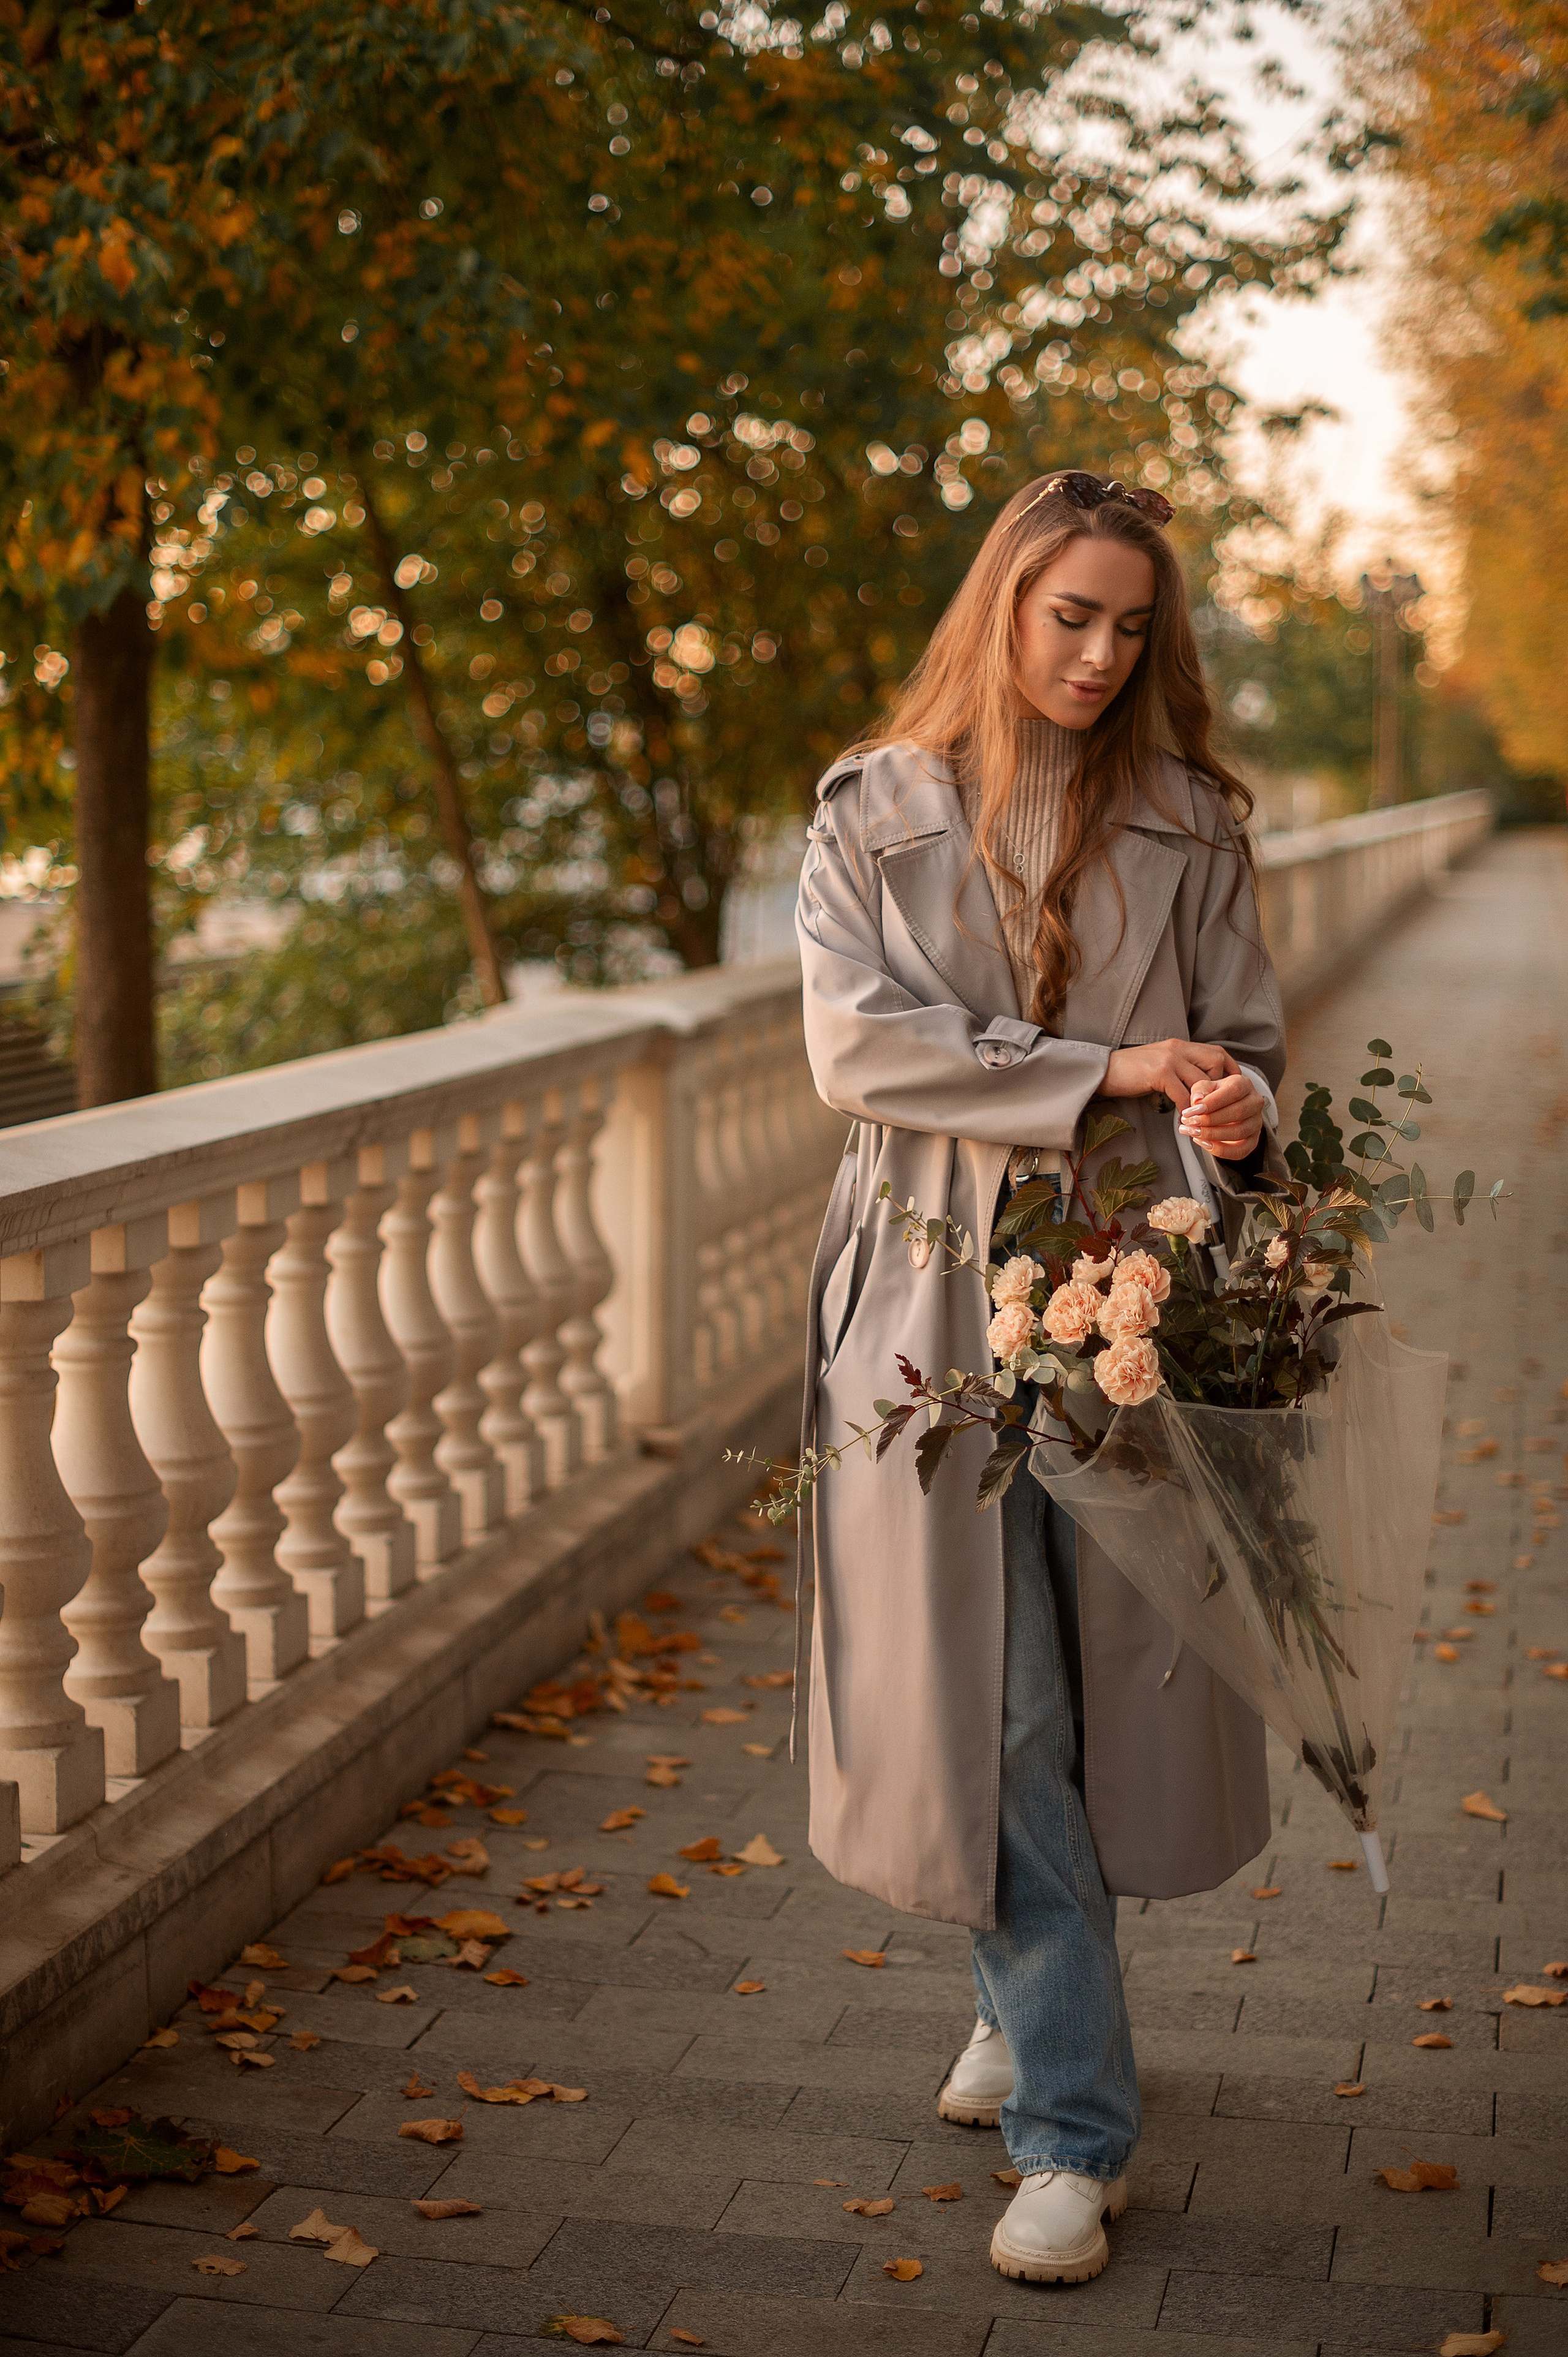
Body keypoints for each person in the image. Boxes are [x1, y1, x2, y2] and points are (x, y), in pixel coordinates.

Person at [794, 470, 1286, 2286]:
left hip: (1125, 1288)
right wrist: (1101, 1071)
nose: (1097, 655)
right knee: (985, 1699)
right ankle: (1074, 2131)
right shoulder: (873, 809)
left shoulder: (1193, 823)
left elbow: (1249, 1048)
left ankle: (1020, 2007)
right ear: (1001, 605)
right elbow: (861, 1051)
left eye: (1130, 629)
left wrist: (1233, 1105)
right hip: (924, 1302)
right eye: (1069, 615)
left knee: (1093, 1676)